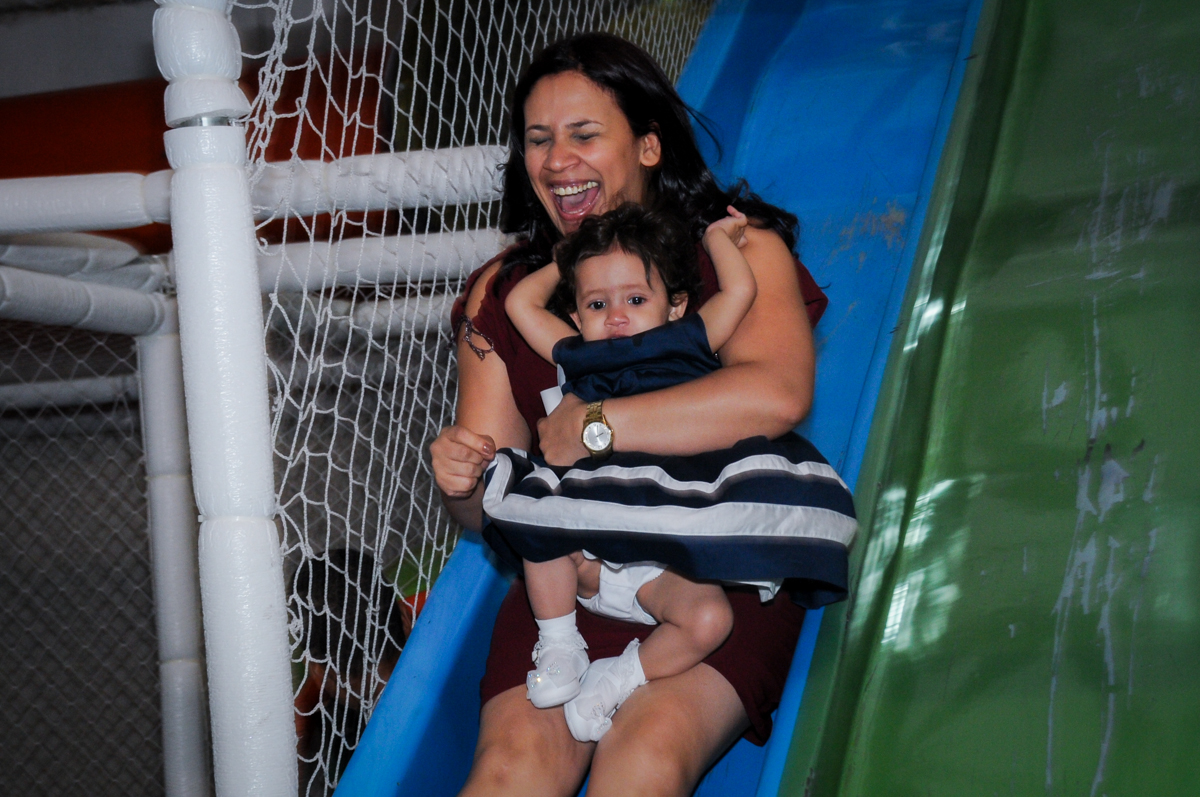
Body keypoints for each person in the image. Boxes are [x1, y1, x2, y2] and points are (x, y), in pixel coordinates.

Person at [430, 32, 831, 796]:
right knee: (509, 772)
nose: (555, 161)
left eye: (584, 135)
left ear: (648, 147)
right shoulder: (506, 291)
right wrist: (459, 478)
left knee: (642, 759)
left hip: (717, 564)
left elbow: (774, 395)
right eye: (539, 140)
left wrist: (595, 425)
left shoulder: (731, 254)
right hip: (574, 587)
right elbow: (492, 502)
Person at [485, 202, 855, 743]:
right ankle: (560, 640)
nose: (616, 316)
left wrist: (718, 240)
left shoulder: (685, 338)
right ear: (578, 315)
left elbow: (739, 293)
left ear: (675, 304)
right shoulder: (578, 354)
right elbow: (520, 302)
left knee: (711, 622)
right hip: (591, 533)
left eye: (636, 299)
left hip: (665, 542)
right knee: (538, 520)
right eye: (596, 303)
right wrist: (565, 261)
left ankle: (618, 679)